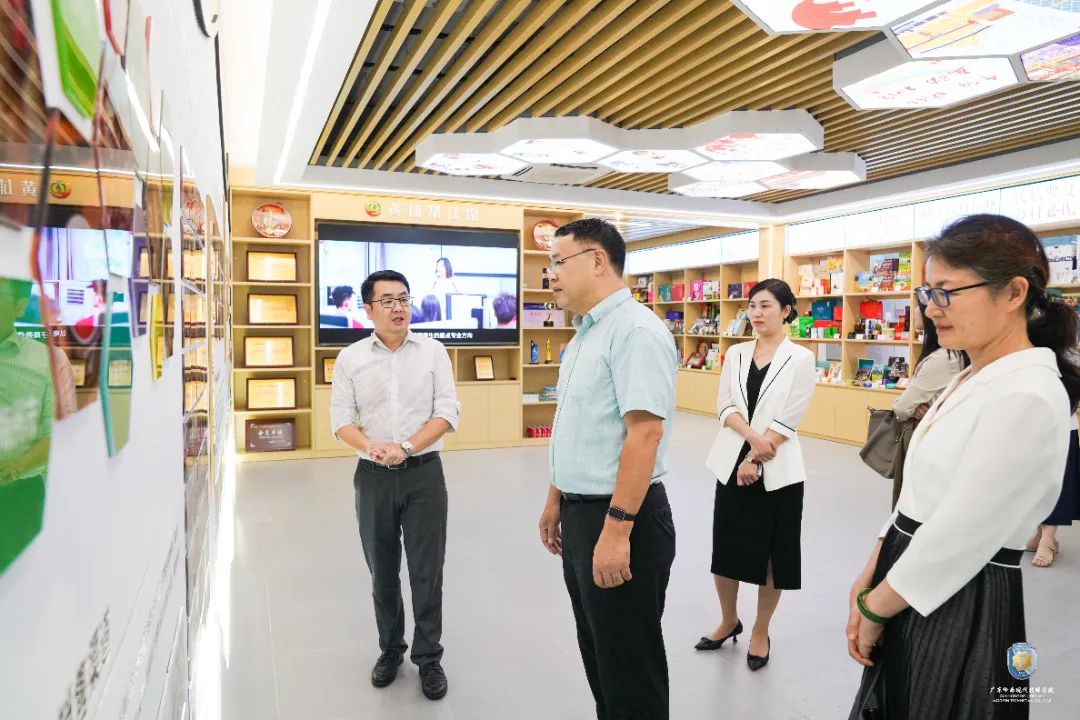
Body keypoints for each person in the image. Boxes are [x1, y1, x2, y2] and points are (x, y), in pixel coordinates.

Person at [847, 214, 1080, 720]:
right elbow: (918, 496)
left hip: (958, 594)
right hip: (909, 573)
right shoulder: (972, 374)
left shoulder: (1029, 393)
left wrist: (875, 606)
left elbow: (962, 532)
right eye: (927, 292)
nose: (931, 308)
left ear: (1014, 292)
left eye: (946, 292)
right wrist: (872, 568)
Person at [537, 218, 677, 719]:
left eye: (558, 261)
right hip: (582, 514)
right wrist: (555, 498)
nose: (550, 274)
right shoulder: (582, 337)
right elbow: (576, 425)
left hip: (621, 516)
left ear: (597, 260)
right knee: (600, 654)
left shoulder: (635, 331)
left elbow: (645, 434)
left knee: (629, 667)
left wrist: (617, 531)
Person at [329, 270, 461, 701]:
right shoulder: (350, 358)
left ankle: (429, 657)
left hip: (424, 474)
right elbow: (341, 421)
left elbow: (447, 412)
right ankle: (390, 649)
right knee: (382, 573)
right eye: (387, 301)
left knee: (427, 571)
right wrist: (372, 448)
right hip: (373, 479)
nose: (398, 307)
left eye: (403, 299)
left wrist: (405, 447)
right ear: (368, 310)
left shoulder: (433, 351)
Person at [697, 279, 816, 671]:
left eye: (765, 305)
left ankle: (761, 631)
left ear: (786, 310)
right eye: (752, 306)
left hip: (778, 468)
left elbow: (790, 416)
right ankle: (728, 619)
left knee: (772, 556)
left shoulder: (801, 358)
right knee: (726, 548)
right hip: (732, 461)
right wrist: (750, 441)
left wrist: (758, 455)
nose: (756, 313)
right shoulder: (735, 353)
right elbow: (724, 406)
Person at [0, 278, 57, 573]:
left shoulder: (43, 360)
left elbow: (53, 436)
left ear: (20, 307)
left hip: (19, 498)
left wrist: (17, 468)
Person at [887, 308, 967, 507]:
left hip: (926, 437)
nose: (916, 312)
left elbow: (903, 407)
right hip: (942, 437)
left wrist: (903, 405)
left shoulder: (943, 358)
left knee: (913, 500)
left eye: (919, 308)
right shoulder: (954, 354)